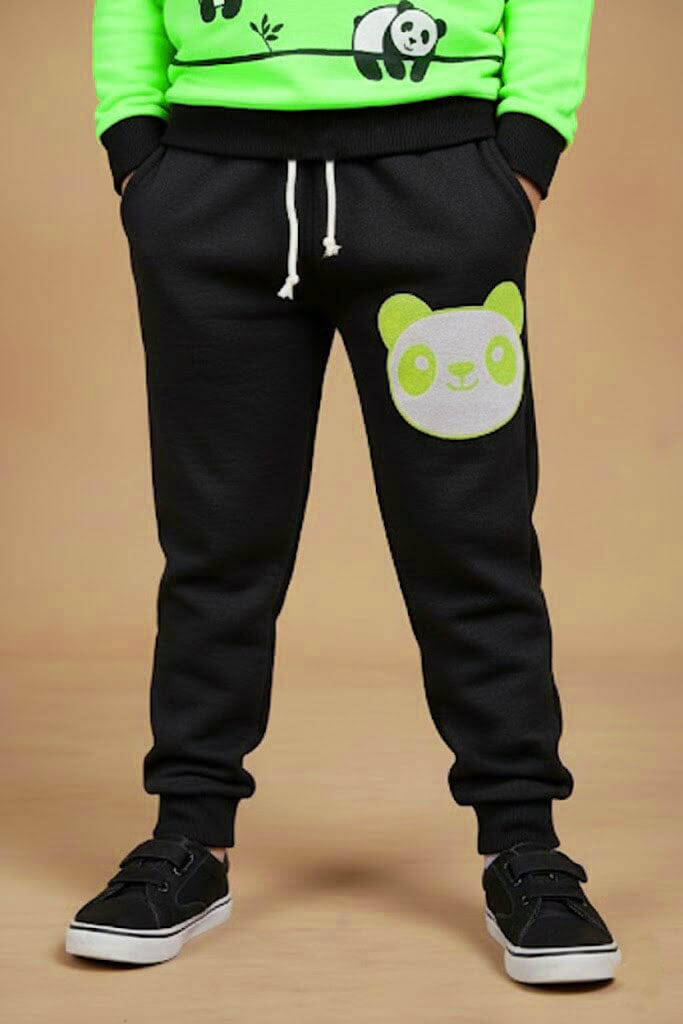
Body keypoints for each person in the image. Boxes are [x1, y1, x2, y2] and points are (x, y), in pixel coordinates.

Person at [65, 0, 621, 984]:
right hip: (207, 189)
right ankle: (188, 832)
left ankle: (524, 842)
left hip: (439, 186)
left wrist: (525, 150)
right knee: (216, 537)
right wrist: (134, 148)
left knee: (469, 534)